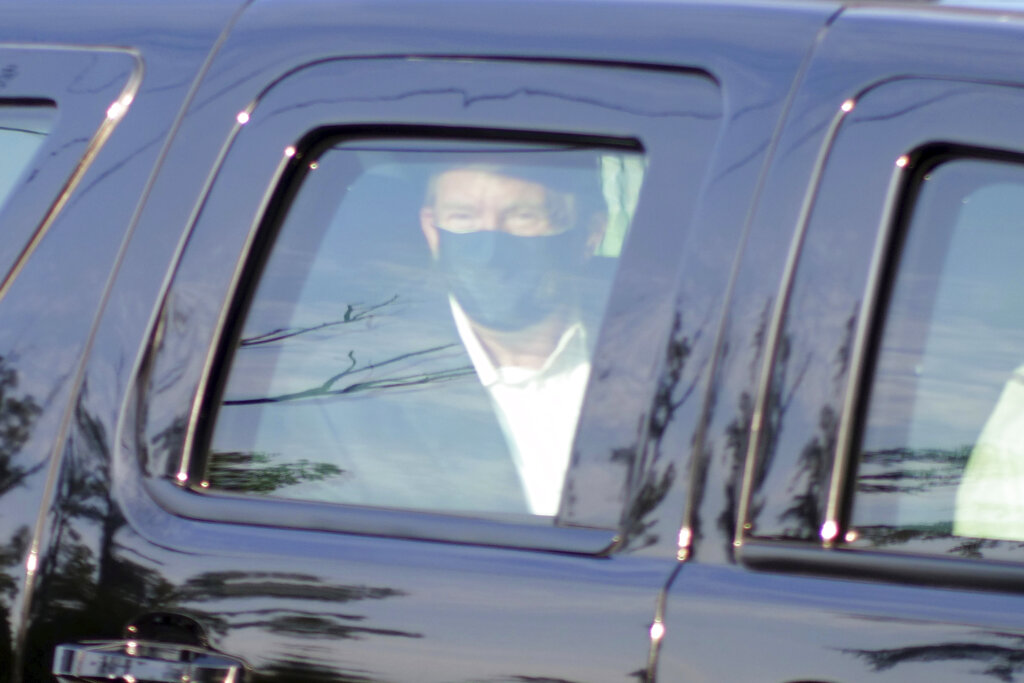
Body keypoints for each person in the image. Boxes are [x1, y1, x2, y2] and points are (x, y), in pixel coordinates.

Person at [418, 162, 606, 516]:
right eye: (463, 217)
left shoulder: (669, 345)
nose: (489, 250)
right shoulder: (362, 387)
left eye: (522, 216)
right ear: (432, 230)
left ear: (590, 235)